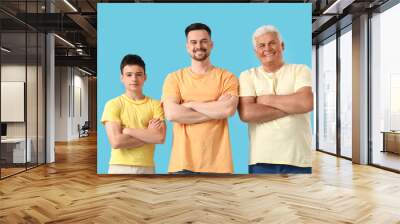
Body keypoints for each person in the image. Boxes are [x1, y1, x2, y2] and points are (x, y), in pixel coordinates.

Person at [162, 23, 239, 174]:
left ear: (211, 44)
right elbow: (172, 114)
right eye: (194, 42)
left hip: (219, 165)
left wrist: (190, 104)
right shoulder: (174, 78)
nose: (199, 46)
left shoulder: (227, 77)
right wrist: (215, 109)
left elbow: (228, 109)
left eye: (204, 41)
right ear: (187, 46)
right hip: (182, 164)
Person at [238, 25, 313, 174]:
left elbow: (306, 103)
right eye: (261, 45)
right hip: (261, 159)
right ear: (256, 51)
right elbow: (247, 113)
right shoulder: (247, 75)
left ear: (282, 45)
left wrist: (264, 99)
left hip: (298, 157)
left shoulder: (300, 70)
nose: (267, 48)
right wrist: (292, 107)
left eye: (272, 43)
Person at [101, 54, 166, 174]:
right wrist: (148, 134)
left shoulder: (156, 104)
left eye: (138, 74)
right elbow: (116, 142)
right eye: (129, 74)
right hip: (119, 167)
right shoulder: (113, 104)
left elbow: (160, 137)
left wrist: (127, 131)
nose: (134, 79)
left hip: (147, 167)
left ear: (145, 77)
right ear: (122, 78)